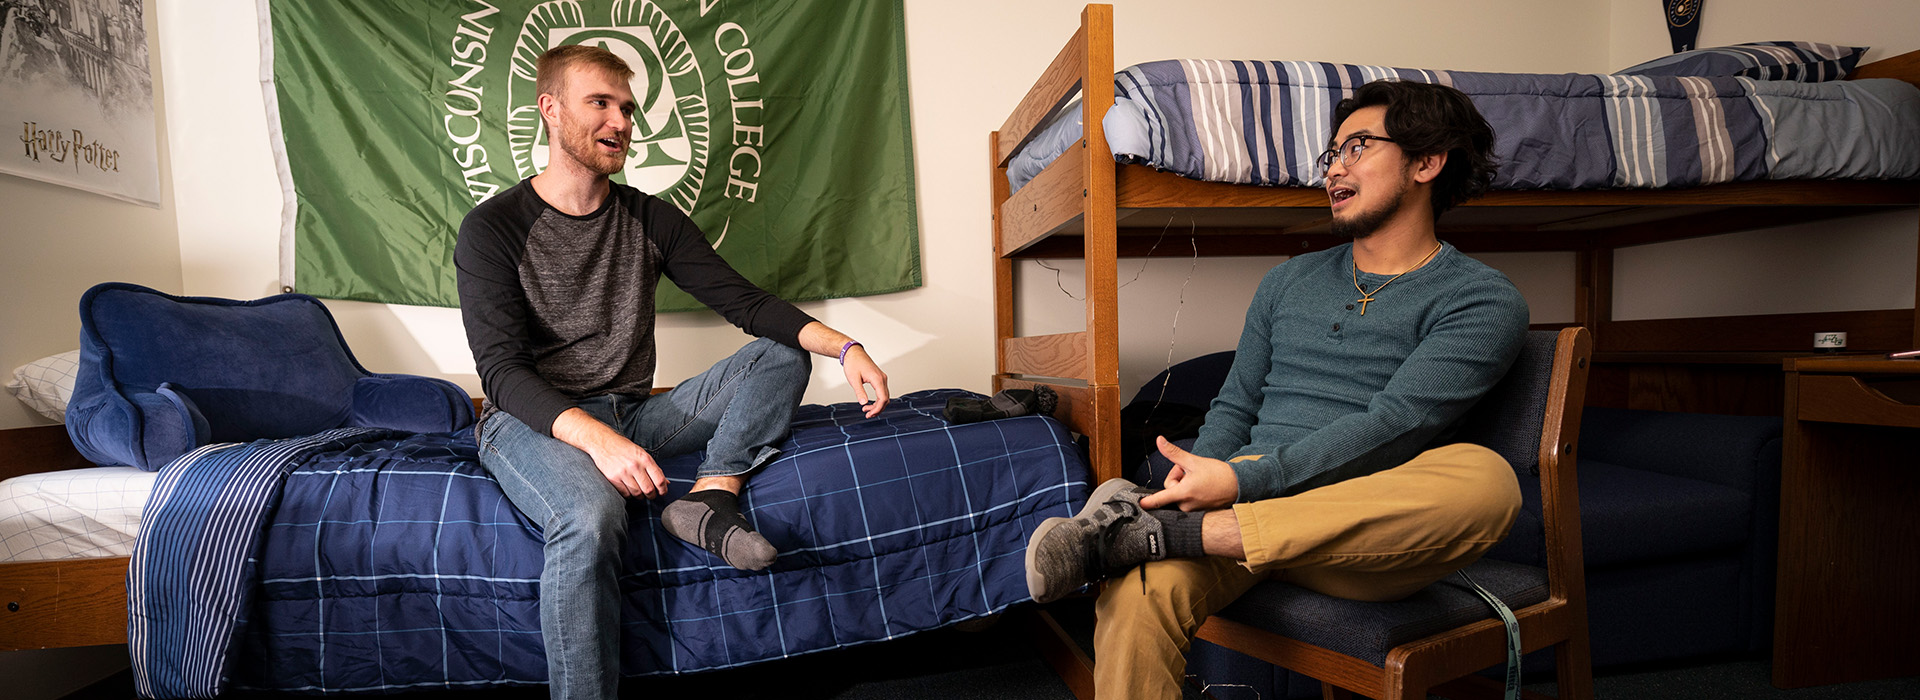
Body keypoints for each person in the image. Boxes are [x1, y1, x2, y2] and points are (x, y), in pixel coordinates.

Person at [1024, 79, 1531, 699]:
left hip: (1352, 525)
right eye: (1332, 153)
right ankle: (1163, 530)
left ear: (1426, 163)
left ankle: (1155, 531)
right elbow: (1236, 403)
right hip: (1241, 505)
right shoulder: (1287, 281)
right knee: (1138, 590)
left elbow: (1396, 425)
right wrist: (1198, 474)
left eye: (1358, 148)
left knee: (1486, 481)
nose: (1333, 169)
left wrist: (1236, 487)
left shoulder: (1481, 298)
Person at [454, 45, 891, 700]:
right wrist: (598, 442)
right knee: (592, 515)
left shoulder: (649, 217)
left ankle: (710, 497)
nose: (622, 121)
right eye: (600, 102)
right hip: (531, 422)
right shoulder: (492, 228)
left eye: (627, 107)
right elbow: (501, 372)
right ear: (549, 109)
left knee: (780, 352)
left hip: (633, 413)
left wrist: (847, 347)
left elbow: (747, 304)